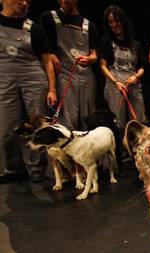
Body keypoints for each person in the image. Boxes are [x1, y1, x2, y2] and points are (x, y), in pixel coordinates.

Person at [0, 0, 57, 183]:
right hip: (4, 78)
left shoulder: (33, 28)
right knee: (7, 126)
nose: (25, 3)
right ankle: (13, 168)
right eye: (20, 0)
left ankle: (37, 168)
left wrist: (52, 89)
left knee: (37, 124)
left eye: (28, 1)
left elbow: (47, 60)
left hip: (33, 77)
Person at [40, 0, 98, 130]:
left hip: (85, 76)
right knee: (68, 117)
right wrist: (51, 55)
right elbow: (43, 48)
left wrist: (89, 59)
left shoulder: (89, 25)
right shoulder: (49, 17)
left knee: (87, 118)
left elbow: (94, 55)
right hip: (64, 74)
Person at [99, 5, 146, 134]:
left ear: (123, 21)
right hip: (115, 85)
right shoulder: (106, 41)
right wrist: (115, 82)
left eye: (116, 21)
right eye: (110, 22)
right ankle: (121, 152)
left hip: (133, 84)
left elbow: (142, 67)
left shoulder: (136, 45)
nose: (114, 25)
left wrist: (136, 77)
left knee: (139, 120)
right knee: (118, 121)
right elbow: (102, 65)